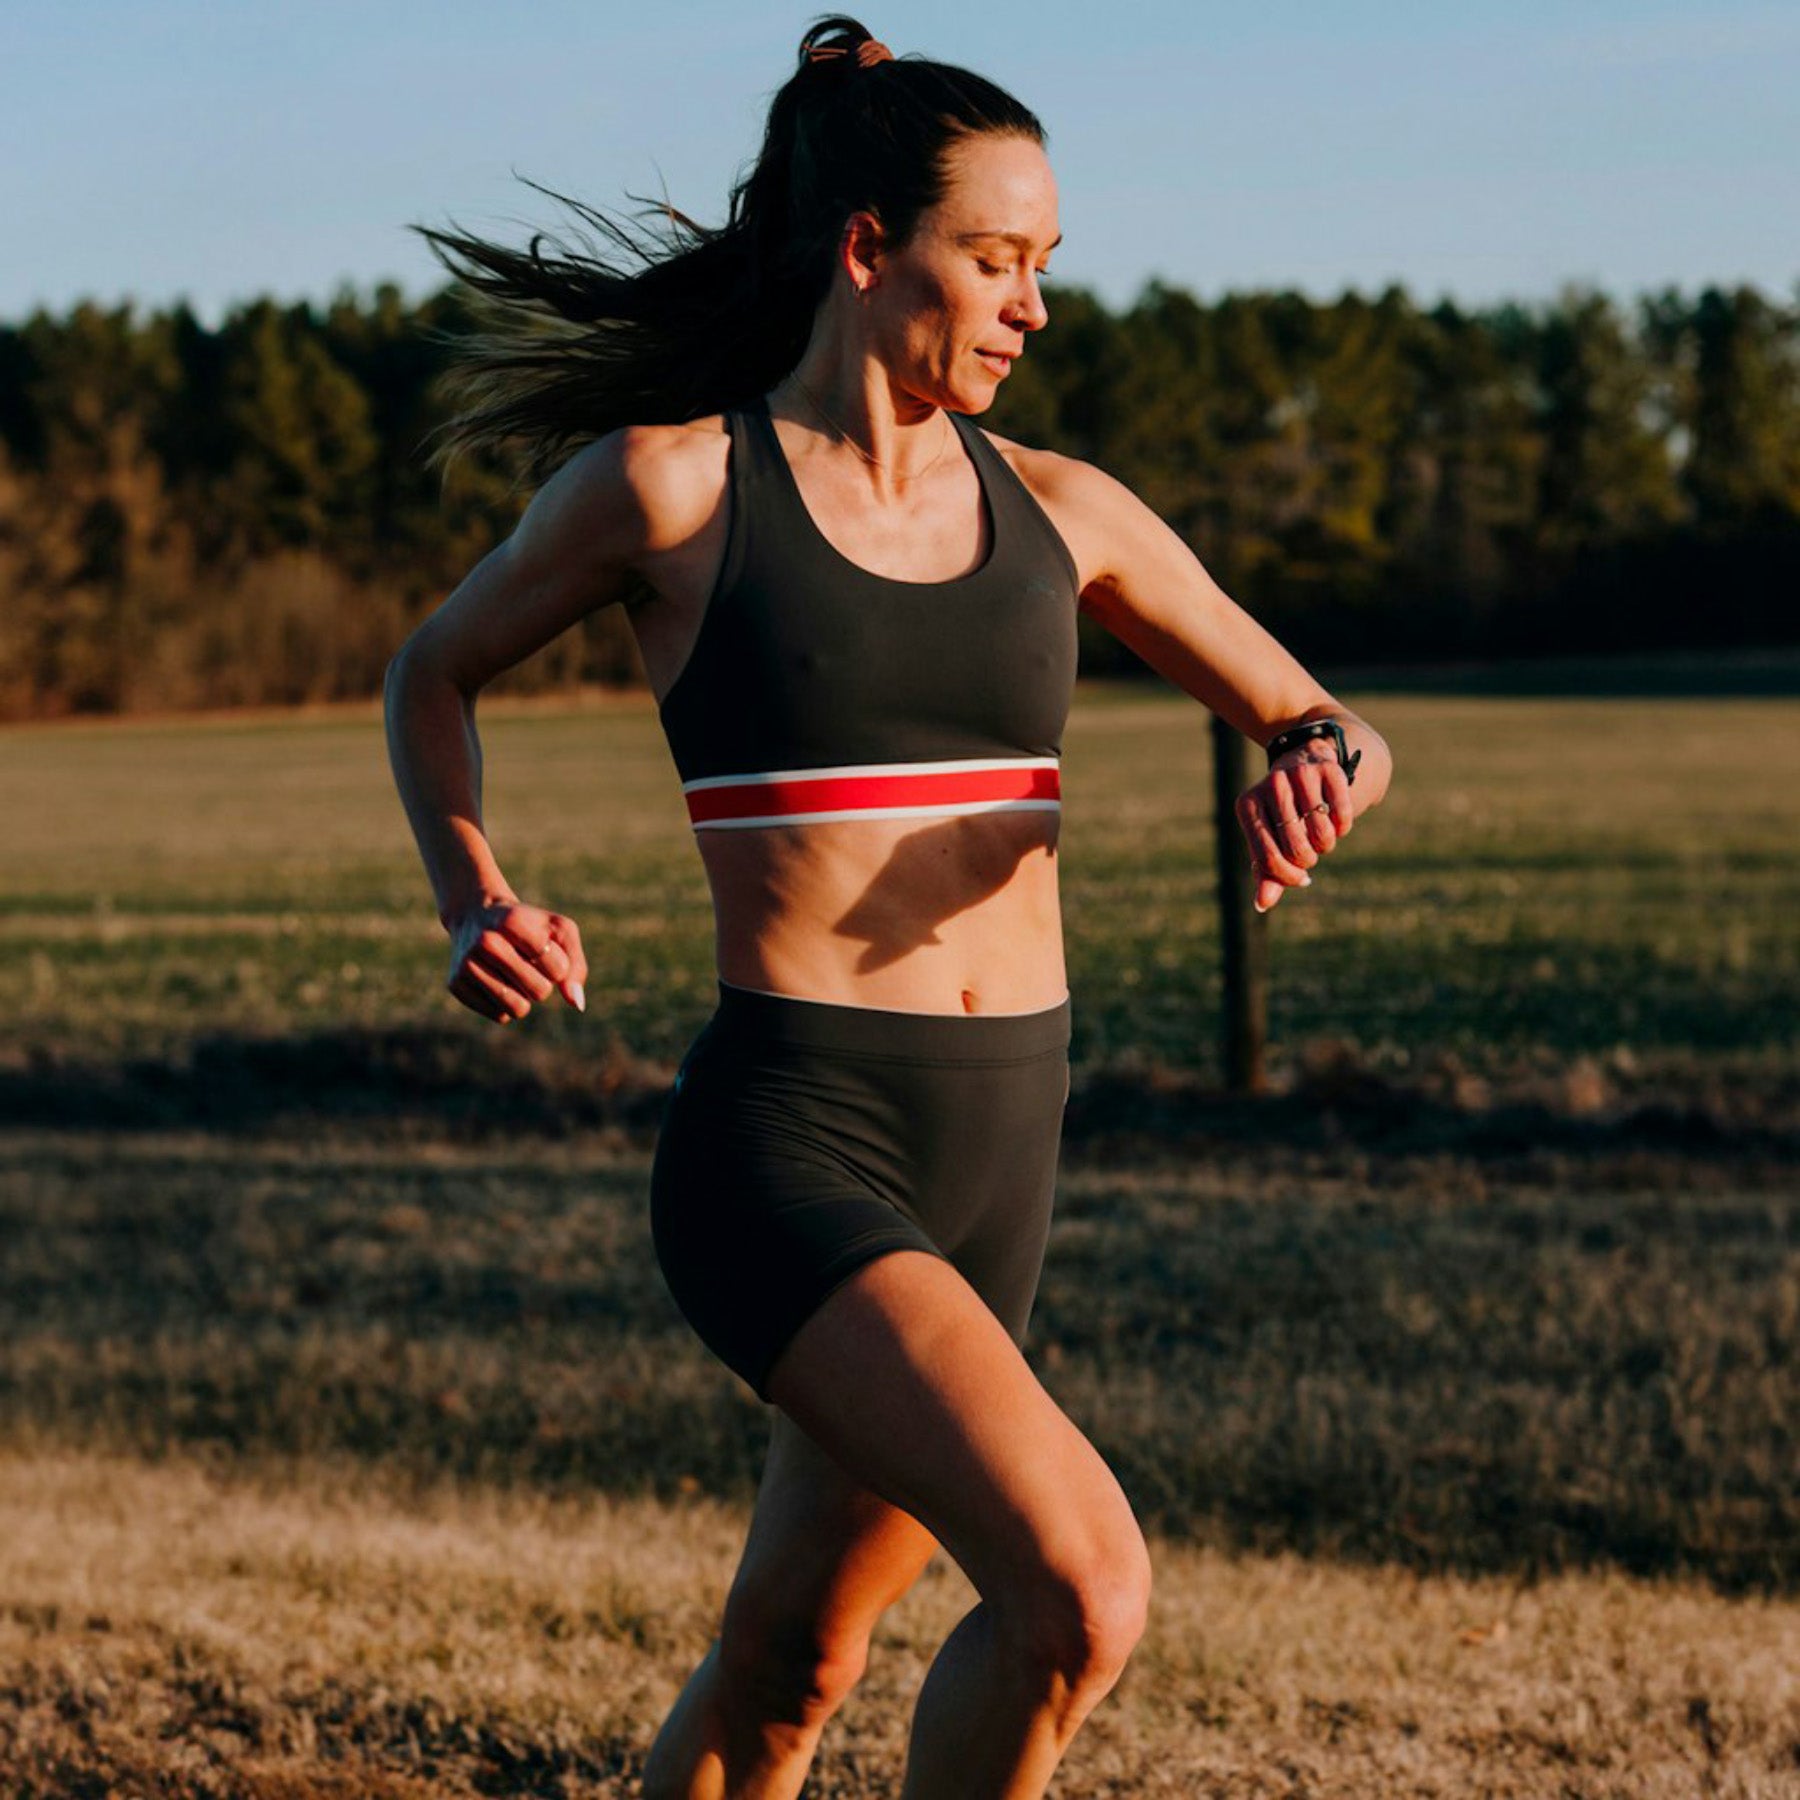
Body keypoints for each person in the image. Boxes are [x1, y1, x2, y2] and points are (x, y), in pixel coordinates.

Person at [385, 16, 1392, 1798]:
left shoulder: (1067, 513)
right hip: (793, 1141)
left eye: (1046, 267)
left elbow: (1325, 716)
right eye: (996, 262)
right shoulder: (677, 487)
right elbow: (433, 673)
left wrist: (1317, 763)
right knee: (1080, 1594)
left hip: (1004, 1147)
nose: (1034, 305)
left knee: (788, 1668)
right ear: (868, 250)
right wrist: (472, 892)